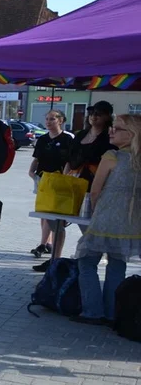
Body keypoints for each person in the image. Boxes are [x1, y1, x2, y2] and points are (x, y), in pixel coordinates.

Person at [72, 114, 141, 325]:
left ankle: (93, 311)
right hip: (130, 224)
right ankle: (112, 313)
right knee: (117, 266)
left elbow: (95, 191)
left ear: (131, 135)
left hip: (105, 217)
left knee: (86, 260)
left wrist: (93, 213)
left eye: (117, 129)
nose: (111, 131)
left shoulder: (112, 156)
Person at [28, 110, 73, 269]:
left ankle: (53, 248)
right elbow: (37, 157)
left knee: (55, 215)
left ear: (60, 120)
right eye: (47, 119)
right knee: (44, 212)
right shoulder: (43, 139)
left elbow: (69, 160)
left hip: (59, 181)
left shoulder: (67, 139)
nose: (48, 122)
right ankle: (44, 243)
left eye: (52, 119)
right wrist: (31, 172)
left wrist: (65, 176)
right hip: (43, 179)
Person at [66, 101, 114, 189]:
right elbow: (69, 159)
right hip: (73, 181)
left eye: (98, 114)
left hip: (96, 183)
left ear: (107, 117)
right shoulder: (80, 135)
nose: (93, 117)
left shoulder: (110, 137)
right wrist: (64, 179)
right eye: (91, 113)